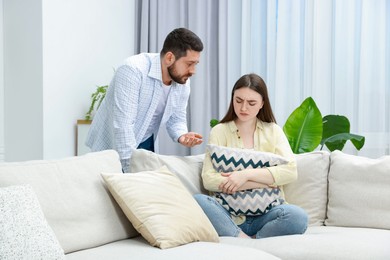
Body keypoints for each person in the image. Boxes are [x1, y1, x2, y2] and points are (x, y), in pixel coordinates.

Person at [194, 73, 308, 239]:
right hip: (228, 214)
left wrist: (244, 176)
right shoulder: (219, 131)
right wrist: (264, 182)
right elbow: (209, 180)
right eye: (238, 101)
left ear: (262, 103)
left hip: (267, 214)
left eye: (251, 103)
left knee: (298, 217)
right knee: (199, 201)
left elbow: (291, 171)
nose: (243, 108)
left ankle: (250, 239)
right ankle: (243, 238)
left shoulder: (273, 131)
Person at [86, 28, 204, 172]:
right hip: (114, 142)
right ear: (169, 58)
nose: (193, 71)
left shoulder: (181, 81)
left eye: (195, 64)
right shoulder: (132, 70)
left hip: (146, 140)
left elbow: (176, 118)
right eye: (189, 64)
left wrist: (182, 135)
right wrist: (130, 170)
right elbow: (123, 126)